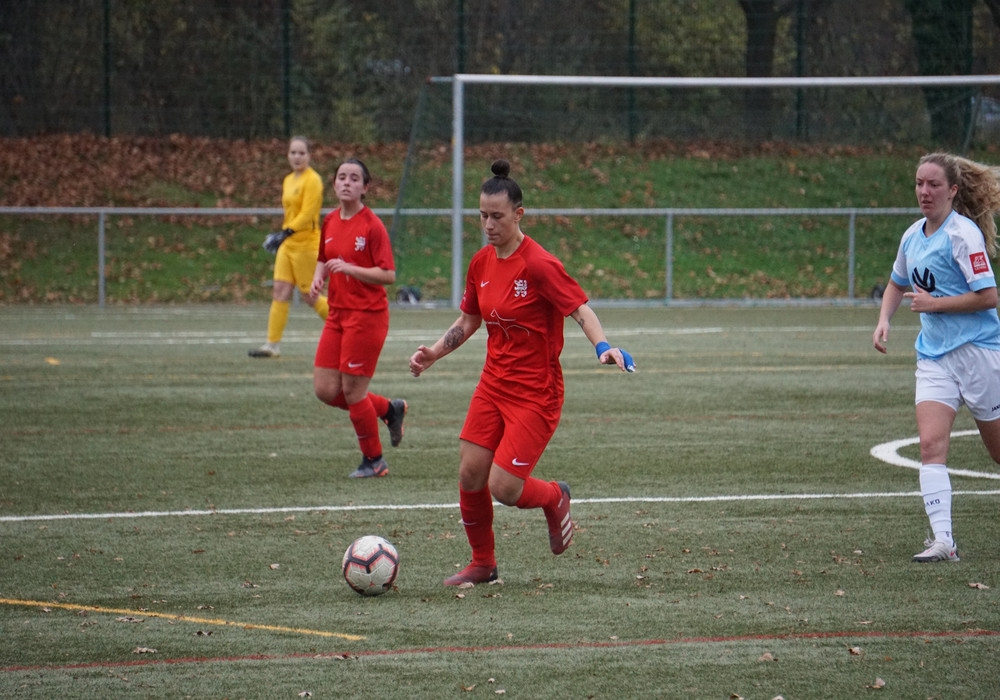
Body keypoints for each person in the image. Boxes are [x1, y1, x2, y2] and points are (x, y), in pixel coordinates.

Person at [408, 159, 636, 586]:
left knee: (504, 489)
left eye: (497, 216)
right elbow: (468, 321)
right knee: (470, 472)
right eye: (482, 216)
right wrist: (434, 353)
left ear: (519, 215)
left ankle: (554, 496)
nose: (488, 225)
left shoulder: (539, 264)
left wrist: (604, 347)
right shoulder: (481, 263)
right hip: (493, 385)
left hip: (536, 393)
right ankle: (483, 564)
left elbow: (580, 309)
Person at [873, 152, 1000, 563]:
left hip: (979, 354)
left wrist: (936, 305)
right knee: (930, 445)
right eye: (919, 183)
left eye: (933, 185)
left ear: (953, 190)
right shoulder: (912, 236)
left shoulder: (963, 236)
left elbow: (988, 296)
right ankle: (943, 540)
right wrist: (884, 321)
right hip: (934, 358)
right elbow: (897, 282)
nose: (924, 192)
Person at [311, 158, 407, 478]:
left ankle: (374, 460)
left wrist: (350, 268)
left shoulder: (372, 226)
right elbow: (324, 258)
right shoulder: (330, 221)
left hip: (367, 317)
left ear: (365, 188)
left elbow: (389, 274)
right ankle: (388, 410)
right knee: (326, 389)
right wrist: (318, 277)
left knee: (353, 392)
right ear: (335, 185)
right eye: (341, 177)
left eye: (354, 178)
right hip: (337, 315)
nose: (347, 182)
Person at [249, 136, 329, 358]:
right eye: (293, 152)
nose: (297, 157)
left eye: (301, 153)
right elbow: (291, 213)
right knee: (280, 291)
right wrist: (283, 236)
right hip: (289, 243)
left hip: (307, 244)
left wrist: (285, 232)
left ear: (309, 156)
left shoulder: (313, 180)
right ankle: (272, 345)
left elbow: (308, 214)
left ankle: (347, 328)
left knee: (310, 296)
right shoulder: (288, 180)